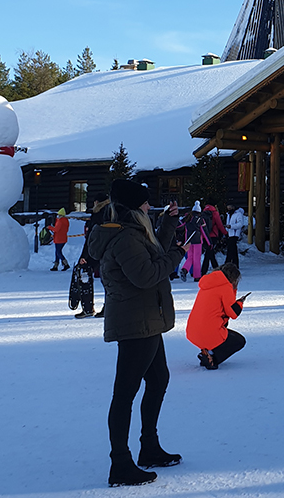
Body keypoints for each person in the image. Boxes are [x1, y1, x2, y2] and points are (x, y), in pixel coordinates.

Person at [88, 179, 185, 487]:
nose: (149, 206)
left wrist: (168, 225)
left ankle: (149, 447)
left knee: (158, 379)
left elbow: (153, 255)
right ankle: (120, 463)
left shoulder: (133, 233)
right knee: (125, 393)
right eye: (145, 203)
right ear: (134, 208)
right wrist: (177, 256)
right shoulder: (125, 238)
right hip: (135, 322)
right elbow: (147, 274)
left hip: (147, 318)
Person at [186, 262, 247, 370]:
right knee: (239, 341)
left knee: (223, 327)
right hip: (209, 333)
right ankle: (212, 359)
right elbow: (232, 313)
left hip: (192, 332)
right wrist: (240, 302)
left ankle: (207, 353)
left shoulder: (207, 284)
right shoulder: (225, 286)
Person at [74, 197, 111, 318]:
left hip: (95, 251)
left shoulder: (98, 214)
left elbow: (91, 237)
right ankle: (107, 307)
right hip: (106, 251)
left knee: (86, 278)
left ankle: (88, 308)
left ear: (97, 202)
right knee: (107, 281)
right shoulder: (110, 212)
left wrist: (84, 255)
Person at [179, 203, 206, 282]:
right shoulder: (200, 219)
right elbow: (204, 231)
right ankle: (197, 276)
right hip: (197, 241)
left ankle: (184, 269)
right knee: (197, 258)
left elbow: (179, 224)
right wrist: (209, 242)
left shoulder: (187, 217)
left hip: (189, 240)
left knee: (190, 257)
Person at [200, 202, 226, 276]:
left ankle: (213, 269)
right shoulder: (215, 213)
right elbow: (219, 225)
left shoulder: (203, 213)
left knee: (209, 253)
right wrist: (225, 233)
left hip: (205, 236)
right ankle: (212, 270)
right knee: (209, 253)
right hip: (213, 235)